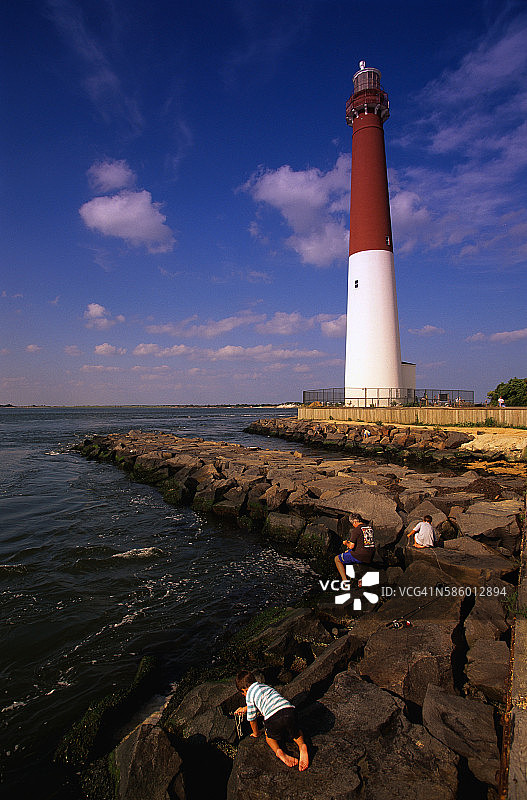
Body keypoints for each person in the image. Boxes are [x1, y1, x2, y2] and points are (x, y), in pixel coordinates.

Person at [234, 670, 309, 771]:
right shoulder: (264, 686)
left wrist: (256, 733)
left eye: (243, 693)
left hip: (273, 718)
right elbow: (266, 700)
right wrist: (244, 708)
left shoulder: (249, 695)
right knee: (296, 732)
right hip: (289, 711)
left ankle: (279, 752)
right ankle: (302, 746)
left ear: (244, 690)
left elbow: (252, 718)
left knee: (269, 738)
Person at [334, 514, 375, 582]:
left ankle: (345, 581)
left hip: (361, 556)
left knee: (337, 559)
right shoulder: (369, 528)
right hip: (370, 555)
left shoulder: (356, 530)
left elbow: (351, 546)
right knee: (347, 552)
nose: (353, 525)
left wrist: (346, 543)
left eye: (352, 523)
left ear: (355, 521)